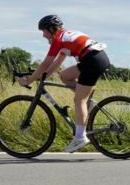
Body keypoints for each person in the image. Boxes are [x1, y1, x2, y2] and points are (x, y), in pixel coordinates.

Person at [18, 15, 110, 152]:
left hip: (92, 61)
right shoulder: (65, 36)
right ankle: (88, 103)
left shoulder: (58, 39)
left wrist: (29, 80)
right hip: (94, 58)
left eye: (43, 31)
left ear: (51, 29)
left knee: (79, 100)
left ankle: (80, 137)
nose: (43, 35)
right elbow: (56, 64)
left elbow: (45, 64)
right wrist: (42, 77)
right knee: (64, 75)